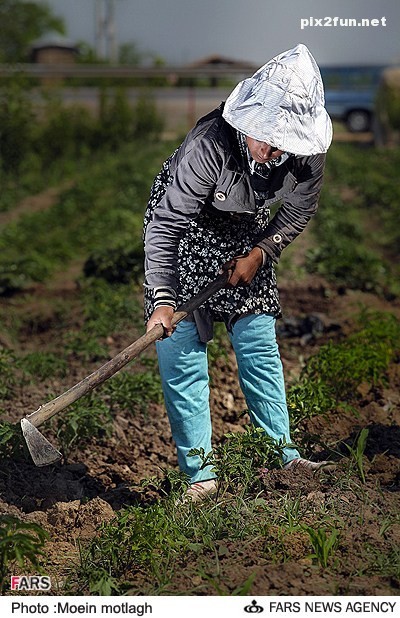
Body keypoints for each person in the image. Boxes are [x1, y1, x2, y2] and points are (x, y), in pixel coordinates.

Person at [143, 43, 333, 502]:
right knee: (181, 350)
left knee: (257, 340)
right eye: (262, 137)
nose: (268, 150)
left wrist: (261, 253)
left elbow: (297, 212)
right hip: (187, 232)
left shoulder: (307, 154)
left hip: (247, 231)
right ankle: (200, 476)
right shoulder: (209, 146)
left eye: (280, 143)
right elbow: (166, 225)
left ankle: (282, 457)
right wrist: (163, 298)